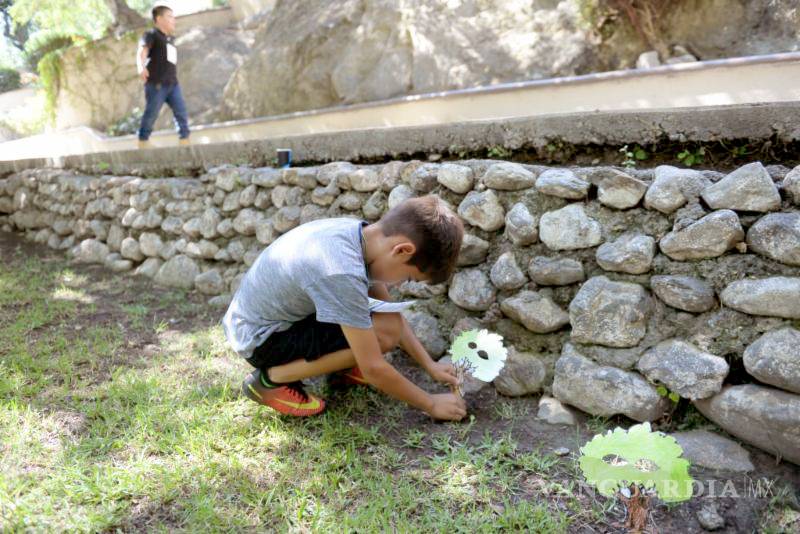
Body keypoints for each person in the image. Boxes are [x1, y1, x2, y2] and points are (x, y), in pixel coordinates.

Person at [222, 195, 467, 421]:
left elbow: (387, 311)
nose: (400, 283)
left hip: (265, 322)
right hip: (260, 341)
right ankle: (271, 381)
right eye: (409, 277)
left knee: (385, 324)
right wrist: (430, 403)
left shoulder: (359, 235)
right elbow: (373, 367)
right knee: (382, 335)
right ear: (402, 250)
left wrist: (429, 365)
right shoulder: (340, 270)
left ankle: (343, 369)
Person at [136, 4, 190, 148]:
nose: (174, 20)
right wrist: (140, 66)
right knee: (151, 115)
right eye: (170, 16)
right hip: (156, 85)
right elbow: (142, 50)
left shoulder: (171, 39)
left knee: (181, 113)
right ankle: (142, 143)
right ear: (159, 19)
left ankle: (185, 144)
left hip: (173, 84)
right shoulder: (151, 35)